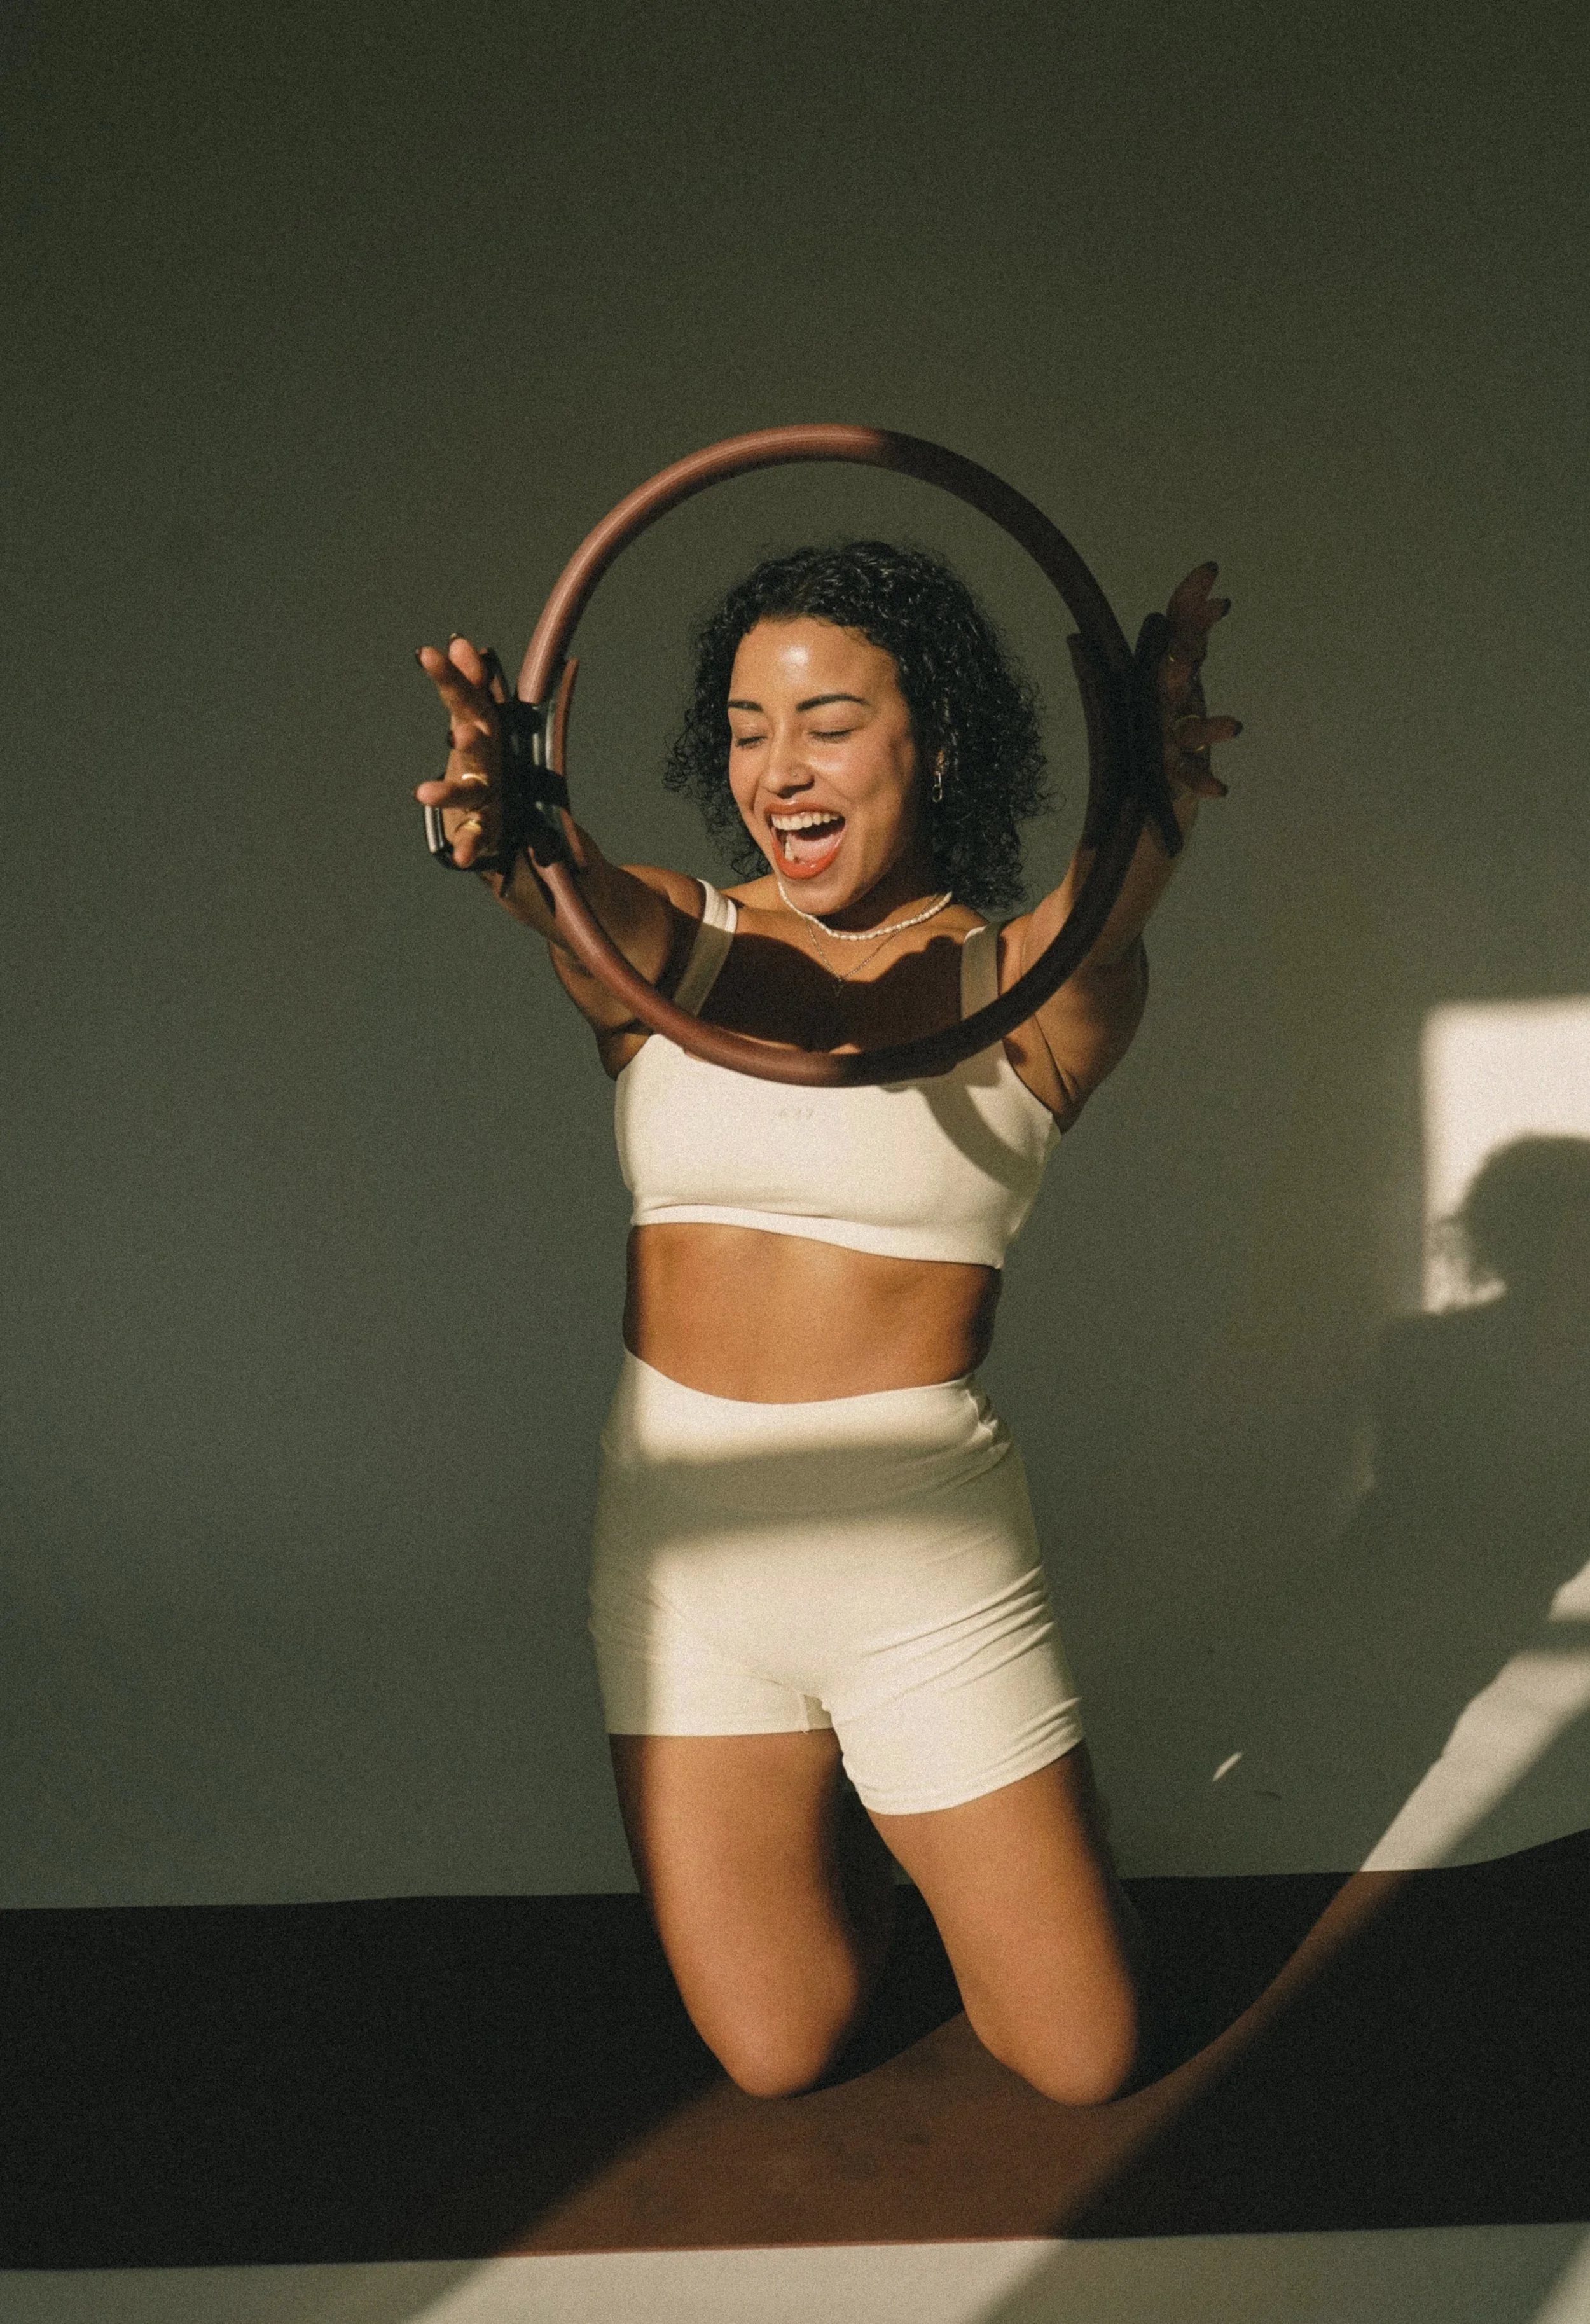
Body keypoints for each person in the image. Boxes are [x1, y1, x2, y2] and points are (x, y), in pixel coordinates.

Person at [415, 539, 1239, 2105]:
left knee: (1083, 2058)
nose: (775, 770)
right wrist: (503, 821)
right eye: (744, 728)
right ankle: (881, 1829)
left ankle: (1001, 1843)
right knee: (777, 2050)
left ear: (933, 738)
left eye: (828, 724)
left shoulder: (1029, 982)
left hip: (916, 1563)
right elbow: (552, 886)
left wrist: (1149, 788)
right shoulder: (676, 945)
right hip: (683, 1547)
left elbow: (1111, 906)